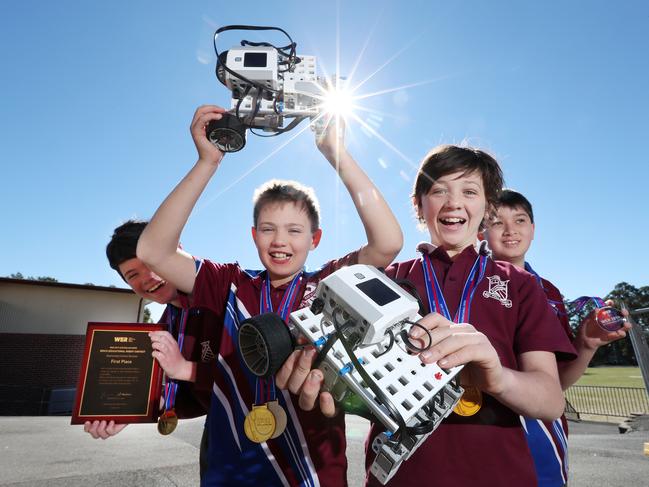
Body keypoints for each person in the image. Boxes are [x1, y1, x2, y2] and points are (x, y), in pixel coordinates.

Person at [136, 105, 403, 486]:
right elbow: (153, 252)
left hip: (312, 473)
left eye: (295, 231)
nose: (280, 241)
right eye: (268, 229)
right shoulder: (228, 282)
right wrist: (207, 163)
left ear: (315, 240)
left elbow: (389, 242)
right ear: (253, 235)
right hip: (232, 472)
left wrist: (336, 152)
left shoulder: (331, 283)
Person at [350, 145, 576, 486]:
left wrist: (497, 378)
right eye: (439, 190)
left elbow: (549, 400)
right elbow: (355, 389)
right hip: (402, 475)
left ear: (487, 208)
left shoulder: (520, 284)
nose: (454, 202)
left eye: (469, 191)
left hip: (500, 474)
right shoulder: (386, 280)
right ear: (419, 204)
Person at [483, 188, 631, 486]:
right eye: (498, 222)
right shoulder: (464, 283)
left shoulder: (547, 292)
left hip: (542, 433)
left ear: (533, 229)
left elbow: (556, 384)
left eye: (521, 220)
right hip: (483, 424)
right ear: (480, 231)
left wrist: (586, 344)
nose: (511, 230)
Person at [84, 220, 220, 479]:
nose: (147, 278)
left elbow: (253, 375)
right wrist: (128, 410)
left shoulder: (227, 294)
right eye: (132, 275)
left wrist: (188, 369)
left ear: (175, 250)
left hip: (278, 433)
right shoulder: (163, 326)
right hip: (218, 435)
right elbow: (183, 394)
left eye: (150, 263)